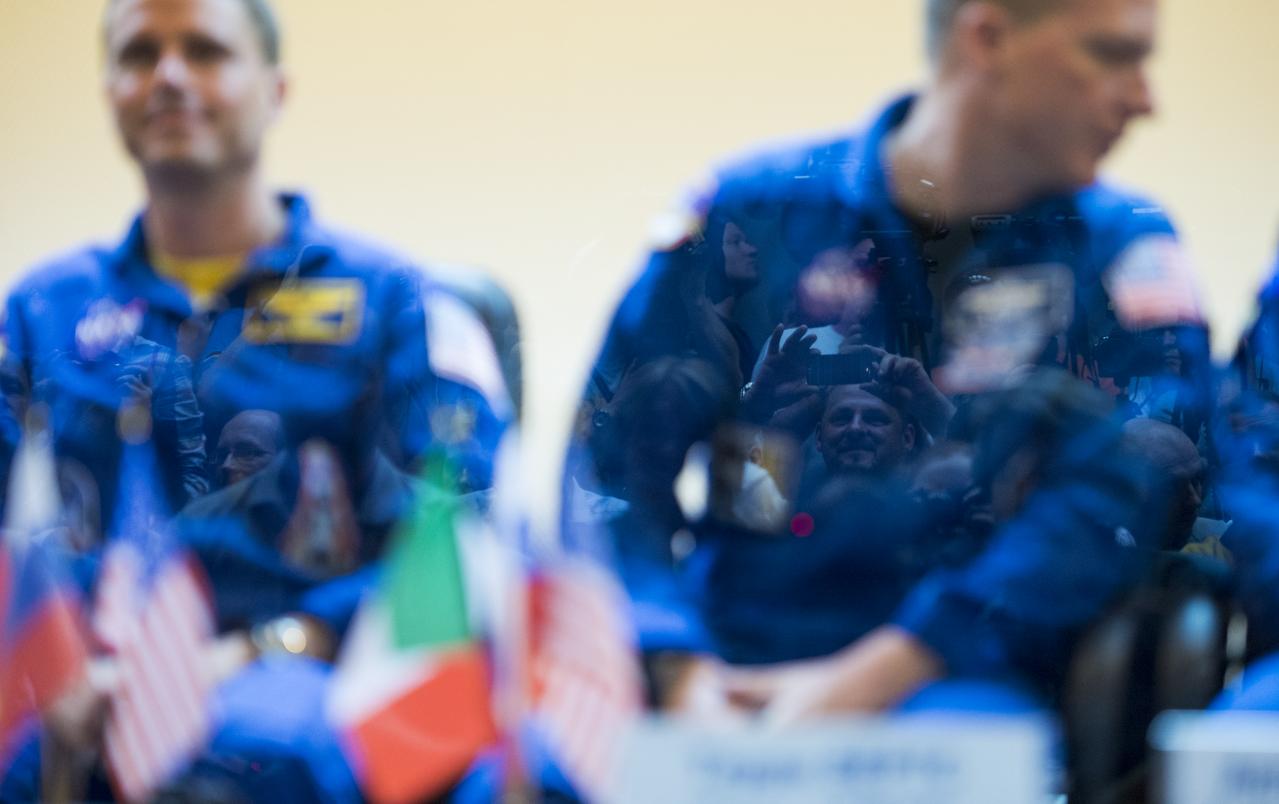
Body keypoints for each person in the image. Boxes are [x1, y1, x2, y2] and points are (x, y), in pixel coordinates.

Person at [565, 0, 1212, 729]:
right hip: (725, 670)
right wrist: (671, 663)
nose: (1143, 99)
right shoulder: (751, 217)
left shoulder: (1121, 255)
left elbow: (1124, 494)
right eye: (1110, 54)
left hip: (970, 679)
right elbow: (610, 466)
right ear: (988, 37)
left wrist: (886, 671)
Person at [0, 0, 510, 798]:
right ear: (109, 91)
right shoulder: (41, 310)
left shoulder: (394, 304)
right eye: (139, 55)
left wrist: (260, 649)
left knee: (252, 749)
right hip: (77, 679)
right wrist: (47, 669)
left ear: (275, 88)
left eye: (204, 50)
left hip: (308, 676)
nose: (168, 75)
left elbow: (449, 544)